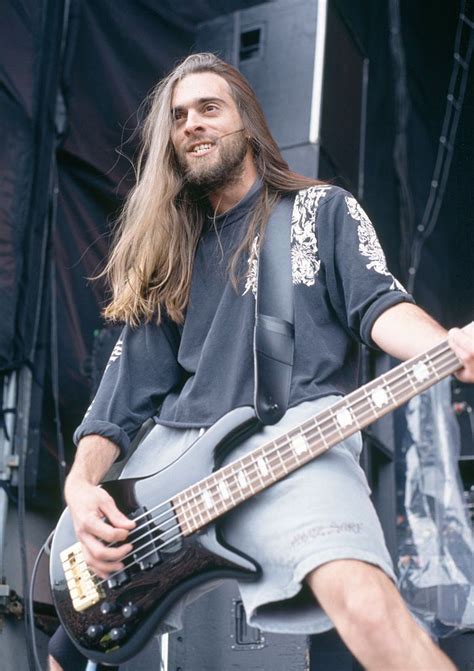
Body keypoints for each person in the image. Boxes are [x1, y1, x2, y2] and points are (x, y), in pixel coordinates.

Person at [49, 53, 474, 670]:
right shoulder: (172, 250)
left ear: (247, 122)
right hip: (173, 474)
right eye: (179, 116)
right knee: (69, 654)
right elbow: (114, 406)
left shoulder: (321, 211)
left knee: (368, 607)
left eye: (209, 108)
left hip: (295, 446)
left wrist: (449, 348)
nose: (192, 123)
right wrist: (81, 487)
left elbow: (380, 306)